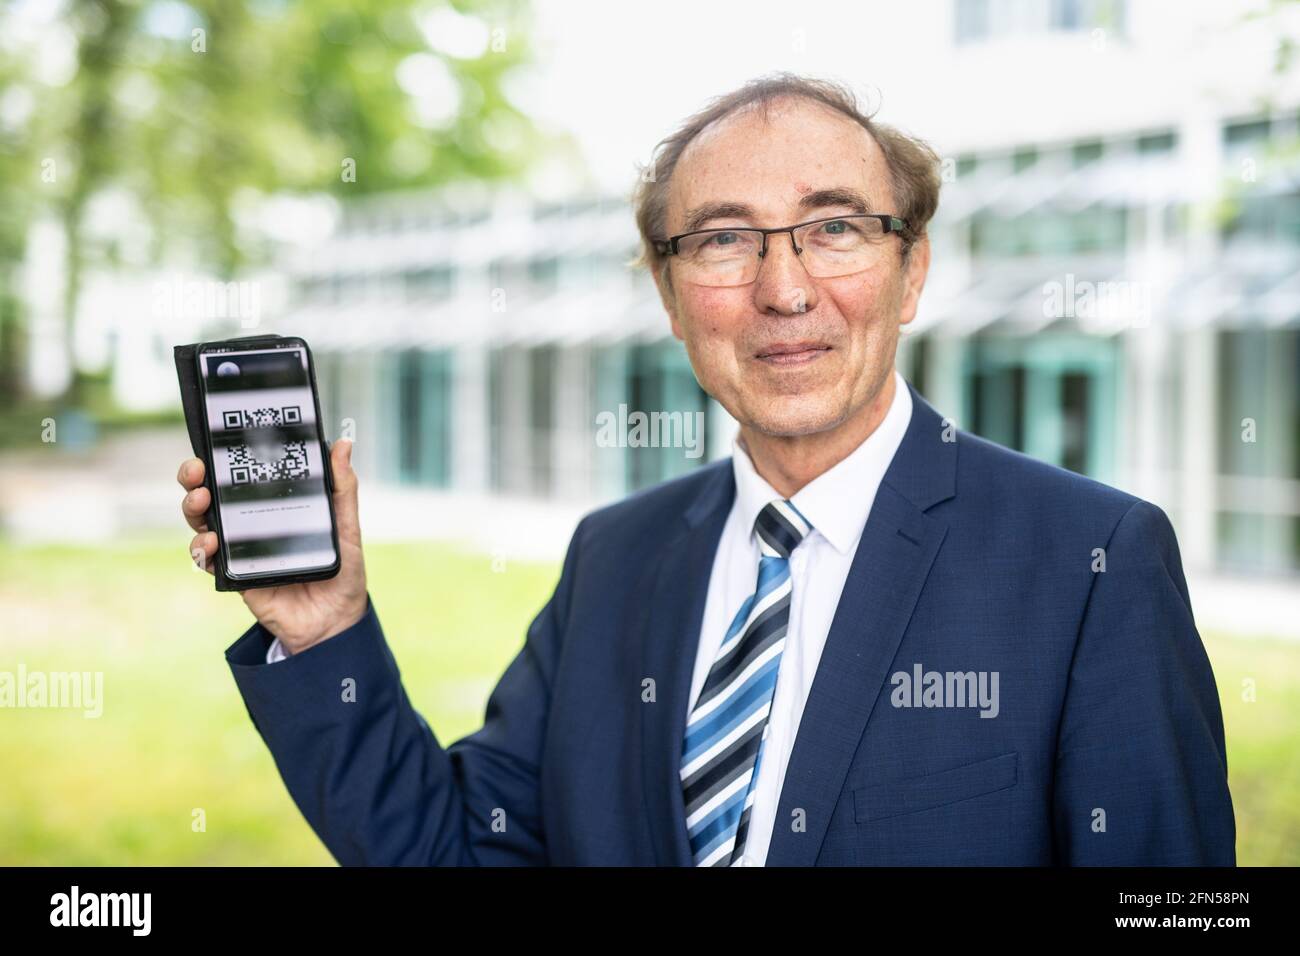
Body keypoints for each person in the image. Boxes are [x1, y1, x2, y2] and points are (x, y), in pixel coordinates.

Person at [177, 72, 1234, 866]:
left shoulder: (1092, 559)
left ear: (911, 270)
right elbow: (456, 850)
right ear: (671, 295)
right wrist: (320, 630)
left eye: (833, 228)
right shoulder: (615, 556)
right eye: (725, 241)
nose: (784, 290)